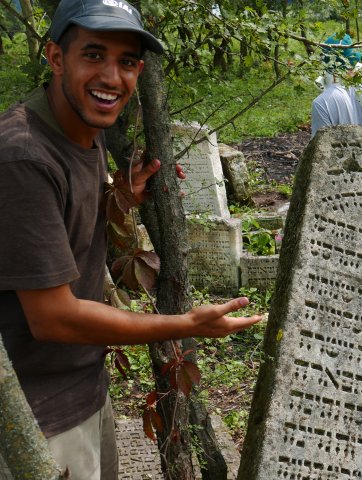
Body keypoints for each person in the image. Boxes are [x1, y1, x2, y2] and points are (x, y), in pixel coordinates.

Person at [0, 0, 261, 477]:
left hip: (84, 391)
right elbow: (54, 319)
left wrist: (121, 198)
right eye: (94, 55)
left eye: (127, 62)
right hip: (36, 416)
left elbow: (60, 230)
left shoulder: (83, 129)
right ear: (56, 57)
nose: (111, 77)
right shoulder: (23, 157)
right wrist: (185, 324)